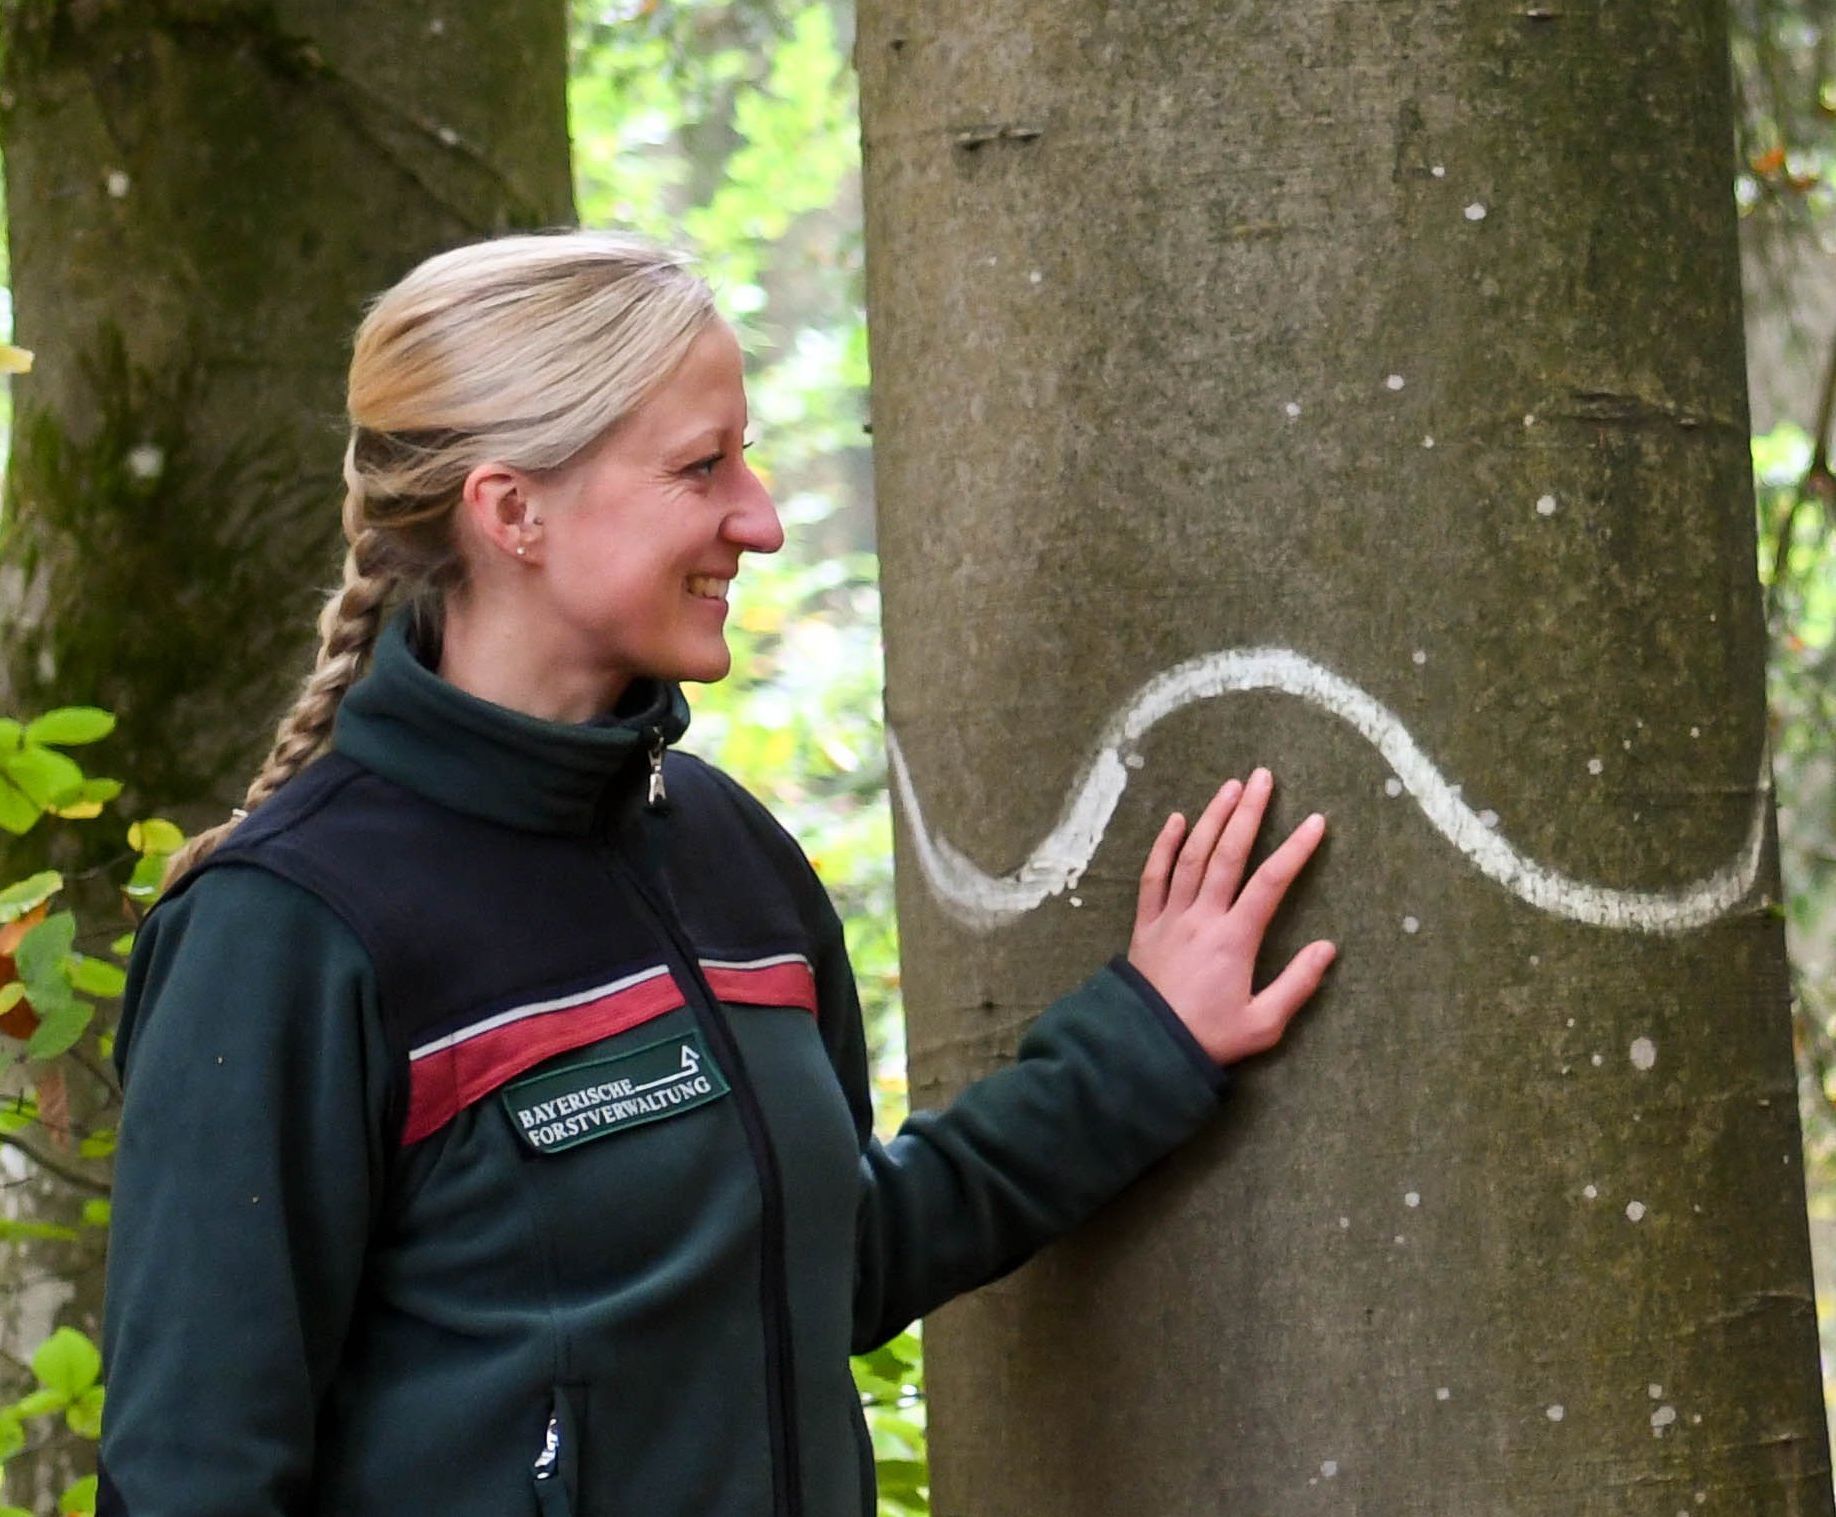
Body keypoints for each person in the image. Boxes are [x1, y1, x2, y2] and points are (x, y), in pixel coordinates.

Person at [96, 232, 1347, 1517]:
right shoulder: (286, 929)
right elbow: (193, 1475)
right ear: (511, 509)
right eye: (702, 467)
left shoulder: (726, 853)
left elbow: (833, 1255)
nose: (758, 517)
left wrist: (1143, 1043)